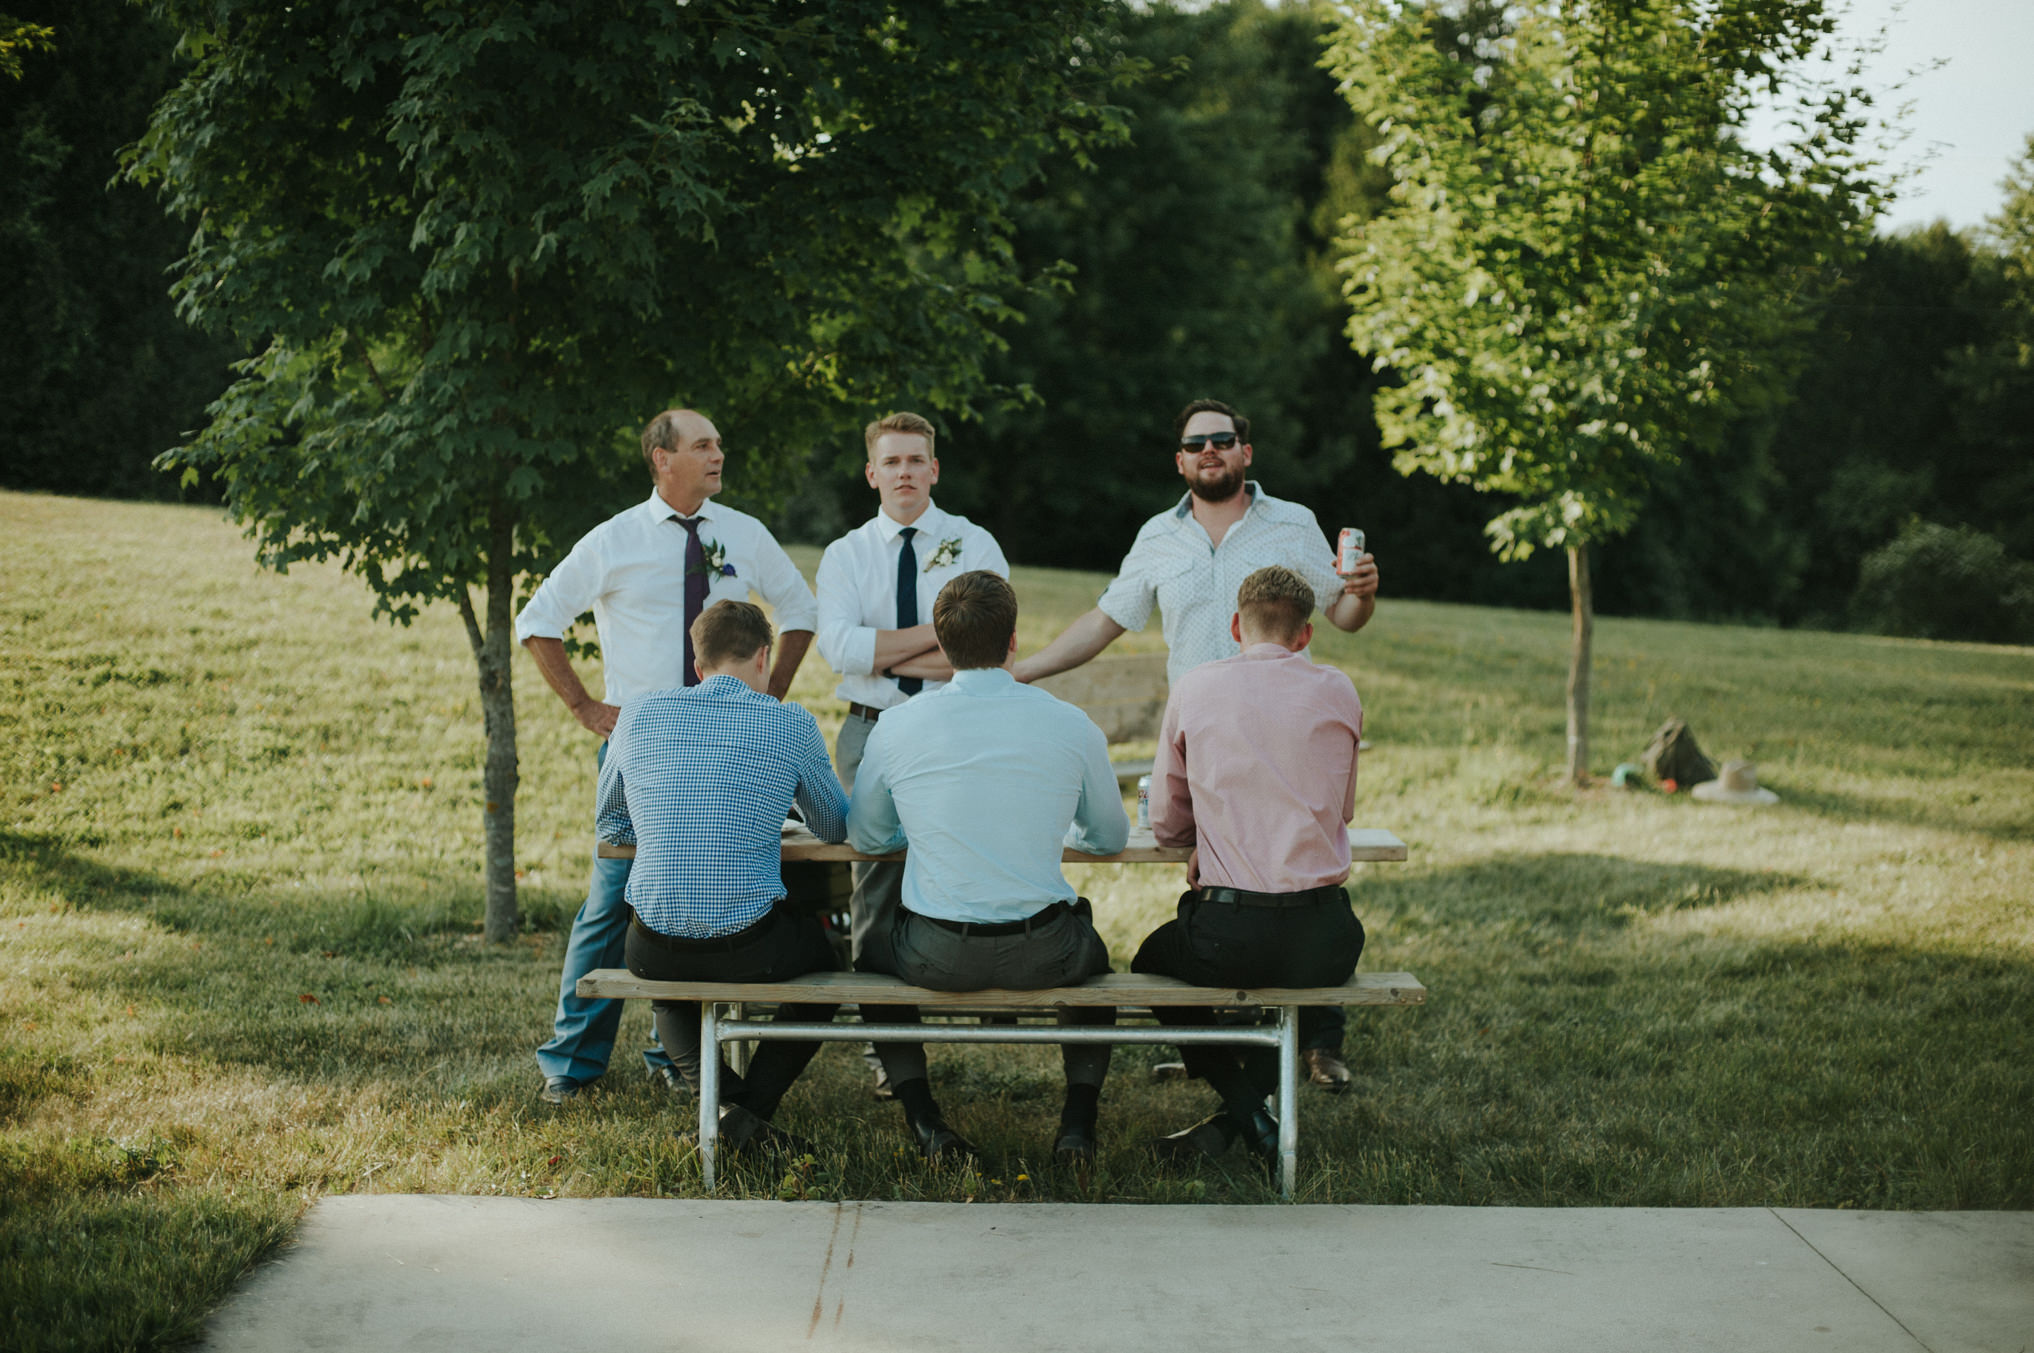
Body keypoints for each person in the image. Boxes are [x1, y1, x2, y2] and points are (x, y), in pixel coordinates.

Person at [1012, 397, 1378, 1089]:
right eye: (1195, 443)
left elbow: (1345, 615)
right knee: (1231, 881)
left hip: (1284, 739)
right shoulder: (1157, 536)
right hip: (1205, 742)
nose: (1209, 449)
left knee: (1289, 863)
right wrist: (1026, 668)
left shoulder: (1294, 524)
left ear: (1246, 451)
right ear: (1180, 460)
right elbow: (1107, 618)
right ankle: (1218, 1036)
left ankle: (1319, 1040)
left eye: (1222, 438)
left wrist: (1363, 590)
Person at [516, 408, 819, 1104]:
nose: (719, 453)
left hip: (733, 753)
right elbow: (536, 621)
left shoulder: (743, 532)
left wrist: (767, 700)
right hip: (648, 752)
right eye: (703, 444)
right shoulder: (613, 539)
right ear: (662, 457)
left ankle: (674, 1057)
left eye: (718, 443)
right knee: (611, 898)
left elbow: (801, 611)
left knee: (706, 894)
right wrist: (587, 708)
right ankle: (572, 1066)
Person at [847, 571, 1129, 1164]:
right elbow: (1108, 838)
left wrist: (917, 826)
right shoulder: (1070, 724)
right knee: (1098, 968)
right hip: (1044, 949)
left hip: (936, 953)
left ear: (943, 647)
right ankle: (1077, 1123)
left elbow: (868, 836)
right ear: (1014, 641)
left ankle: (925, 1119)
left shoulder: (898, 725)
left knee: (868, 961)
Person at [1130, 566, 1367, 1170]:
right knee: (1303, 983)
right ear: (1305, 634)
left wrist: (1197, 841)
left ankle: (1244, 1112)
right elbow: (1343, 810)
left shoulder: (1196, 686)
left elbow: (1166, 821)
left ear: (1236, 625)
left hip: (1229, 933)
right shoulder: (1339, 690)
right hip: (1327, 936)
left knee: (1148, 963)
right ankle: (1243, 1118)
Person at [601, 600, 847, 1152]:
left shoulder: (639, 714)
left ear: (698, 665)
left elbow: (611, 821)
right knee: (826, 969)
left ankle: (727, 1113)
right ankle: (746, 1117)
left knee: (667, 985)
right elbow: (834, 826)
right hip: (750, 944)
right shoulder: (790, 723)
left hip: (651, 944)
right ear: (764, 657)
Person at [814, 412, 1008, 1096]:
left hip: (955, 726)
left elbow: (993, 645)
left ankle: (984, 998)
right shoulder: (846, 554)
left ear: (934, 469)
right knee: (876, 876)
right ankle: (885, 1036)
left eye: (915, 460)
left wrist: (884, 643)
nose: (903, 471)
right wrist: (943, 632)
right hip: (870, 729)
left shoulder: (972, 541)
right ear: (871, 473)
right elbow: (839, 648)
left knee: (963, 859)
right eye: (890, 461)